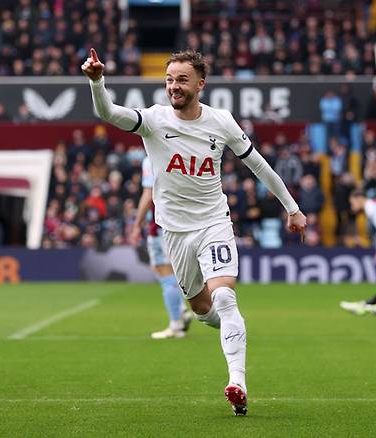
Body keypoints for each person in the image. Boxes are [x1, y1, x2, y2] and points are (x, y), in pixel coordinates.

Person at [83, 48, 306, 416]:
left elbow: (259, 166)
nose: (174, 86)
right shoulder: (153, 120)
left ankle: (238, 382)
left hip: (214, 223)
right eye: (169, 80)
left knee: (224, 298)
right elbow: (109, 112)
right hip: (174, 232)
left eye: (182, 80)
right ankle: (234, 329)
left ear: (200, 84)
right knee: (203, 310)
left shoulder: (221, 122)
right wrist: (97, 81)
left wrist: (292, 208)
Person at [130, 155, 192, 339]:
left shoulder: (151, 158)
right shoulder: (181, 151)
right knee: (163, 268)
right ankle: (181, 311)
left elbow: (148, 195)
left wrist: (136, 225)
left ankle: (176, 325)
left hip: (160, 223)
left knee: (165, 271)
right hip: (183, 219)